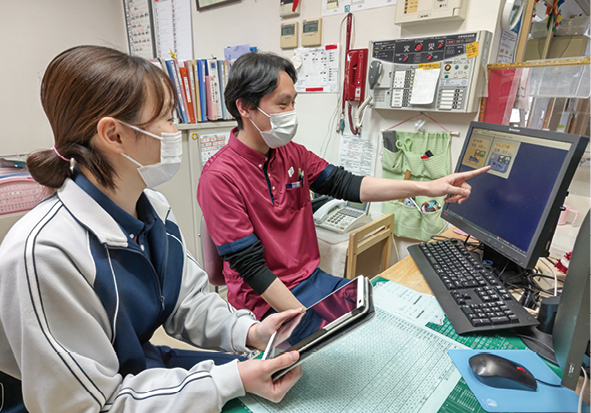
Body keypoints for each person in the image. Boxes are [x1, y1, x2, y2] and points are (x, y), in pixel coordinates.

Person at [0, 46, 303, 413]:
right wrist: (231, 380)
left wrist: (250, 332)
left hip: (138, 372)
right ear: (113, 135)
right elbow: (86, 405)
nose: (175, 131)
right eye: (166, 118)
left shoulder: (153, 208)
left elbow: (186, 303)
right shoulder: (43, 253)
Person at [197, 52, 490, 321]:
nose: (291, 112)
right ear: (245, 107)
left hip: (312, 281)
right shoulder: (220, 177)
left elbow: (348, 185)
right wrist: (309, 318)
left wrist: (427, 187)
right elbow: (251, 269)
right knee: (356, 336)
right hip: (264, 303)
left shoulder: (292, 153)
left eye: (293, 102)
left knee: (388, 312)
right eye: (282, 104)